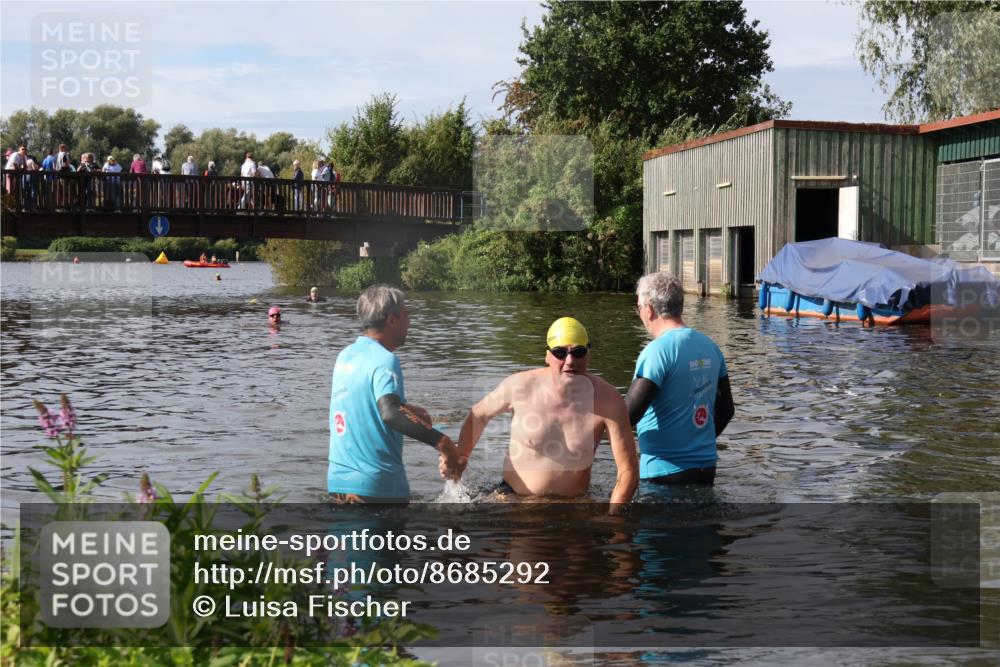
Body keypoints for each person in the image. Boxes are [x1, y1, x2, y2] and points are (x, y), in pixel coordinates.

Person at [450, 317, 638, 510]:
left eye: (578, 352)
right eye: (560, 353)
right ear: (547, 356)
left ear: (588, 355)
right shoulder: (519, 386)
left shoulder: (608, 399)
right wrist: (460, 457)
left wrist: (614, 517)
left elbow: (628, 469)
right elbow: (478, 414)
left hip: (574, 506)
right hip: (513, 501)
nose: (570, 361)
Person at [327, 285, 460, 502]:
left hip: (338, 485)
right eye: (406, 314)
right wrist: (445, 445)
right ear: (391, 320)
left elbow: (361, 405)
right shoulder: (384, 359)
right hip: (379, 488)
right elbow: (389, 413)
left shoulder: (345, 356)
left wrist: (410, 410)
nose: (409, 322)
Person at [624, 272, 735, 486]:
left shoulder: (657, 351)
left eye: (638, 308)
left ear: (648, 309)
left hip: (663, 472)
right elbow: (727, 410)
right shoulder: (710, 347)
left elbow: (629, 414)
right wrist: (697, 445)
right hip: (706, 468)